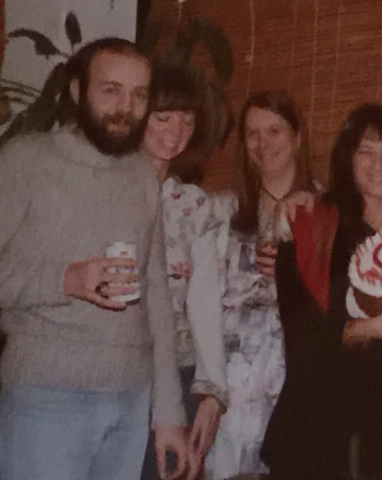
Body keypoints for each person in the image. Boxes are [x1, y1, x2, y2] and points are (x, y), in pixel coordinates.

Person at [0, 38, 188, 480]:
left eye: (139, 94)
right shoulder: (25, 161)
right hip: (45, 397)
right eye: (111, 90)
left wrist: (168, 413)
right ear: (76, 89)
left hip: (131, 400)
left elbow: (157, 297)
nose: (127, 107)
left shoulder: (142, 175)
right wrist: (64, 280)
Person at [262, 103, 382, 480]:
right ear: (347, 158)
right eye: (366, 152)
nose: (377, 164)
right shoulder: (311, 226)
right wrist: (378, 328)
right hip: (325, 432)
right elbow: (301, 334)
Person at [199, 90, 318, 479]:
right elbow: (201, 307)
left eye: (274, 131)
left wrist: (293, 275)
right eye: (252, 134)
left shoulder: (326, 208)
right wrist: (210, 390)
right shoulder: (221, 210)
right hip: (235, 387)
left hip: (299, 381)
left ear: (297, 137)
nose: (263, 144)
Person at [140, 63, 227, 479]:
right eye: (163, 117)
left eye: (187, 121)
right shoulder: (104, 192)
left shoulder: (193, 203)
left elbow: (205, 301)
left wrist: (211, 392)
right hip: (118, 376)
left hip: (181, 372)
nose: (176, 131)